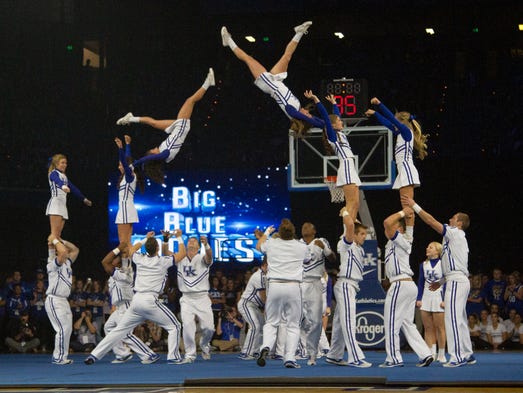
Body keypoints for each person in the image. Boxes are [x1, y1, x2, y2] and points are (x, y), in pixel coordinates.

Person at [84, 230, 186, 365]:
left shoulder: (139, 258)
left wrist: (146, 238)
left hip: (136, 301)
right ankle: (173, 357)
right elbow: (182, 254)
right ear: (157, 248)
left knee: (119, 330)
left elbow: (132, 249)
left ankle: (94, 355)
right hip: (150, 300)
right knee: (175, 326)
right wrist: (179, 237)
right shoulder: (162, 261)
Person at [401, 195, 475, 367]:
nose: (450, 219)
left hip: (457, 281)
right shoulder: (454, 237)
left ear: (459, 223)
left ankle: (457, 357)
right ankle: (468, 353)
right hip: (456, 278)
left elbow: (431, 222)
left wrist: (415, 205)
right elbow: (455, 265)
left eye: (453, 218)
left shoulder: (455, 233)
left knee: (452, 319)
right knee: (461, 318)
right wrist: (441, 282)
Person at [221, 22, 327, 138]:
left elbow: (308, 119)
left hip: (268, 84)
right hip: (276, 81)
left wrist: (309, 119)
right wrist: (328, 125)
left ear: (303, 118)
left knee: (248, 59)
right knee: (287, 56)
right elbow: (320, 122)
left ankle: (228, 41)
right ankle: (299, 32)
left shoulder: (292, 112)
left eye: (307, 115)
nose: (308, 112)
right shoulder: (298, 106)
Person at [115, 68, 215, 184]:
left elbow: (149, 158)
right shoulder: (165, 155)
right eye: (152, 150)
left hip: (174, 130)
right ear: (155, 156)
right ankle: (208, 82)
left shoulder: (162, 151)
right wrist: (137, 163)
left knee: (153, 123)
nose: (153, 148)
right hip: (181, 128)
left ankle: (130, 118)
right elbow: (149, 159)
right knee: (190, 101)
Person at [381, 208, 433, 368]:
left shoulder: (399, 238)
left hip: (400, 284)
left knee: (391, 323)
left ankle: (394, 359)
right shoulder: (404, 238)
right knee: (407, 323)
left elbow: (387, 222)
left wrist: (403, 212)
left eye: (396, 226)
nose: (388, 229)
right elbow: (408, 224)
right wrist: (410, 212)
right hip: (408, 285)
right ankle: (425, 354)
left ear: (399, 229)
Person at [255, 219, 311, 369]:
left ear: (279, 232)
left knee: (271, 322)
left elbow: (259, 246)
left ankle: (266, 346)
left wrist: (267, 232)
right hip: (293, 287)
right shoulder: (301, 246)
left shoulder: (272, 244)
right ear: (293, 232)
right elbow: (308, 260)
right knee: (293, 325)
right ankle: (290, 358)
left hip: (275, 286)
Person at [365, 98, 428, 227]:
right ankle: (408, 234)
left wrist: (379, 105)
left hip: (406, 170)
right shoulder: (400, 133)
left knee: (408, 204)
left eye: (396, 121)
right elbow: (388, 123)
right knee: (406, 205)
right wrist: (375, 114)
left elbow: (391, 120)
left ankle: (409, 236)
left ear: (401, 122)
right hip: (403, 170)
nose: (393, 124)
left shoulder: (406, 132)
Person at [325, 207, 372, 368]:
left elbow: (353, 225)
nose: (365, 237)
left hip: (350, 286)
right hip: (345, 284)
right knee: (349, 321)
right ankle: (355, 358)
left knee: (339, 322)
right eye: (362, 234)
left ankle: (334, 355)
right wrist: (345, 211)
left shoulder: (357, 247)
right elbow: (350, 227)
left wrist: (353, 214)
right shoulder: (347, 244)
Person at [304, 90, 361, 220]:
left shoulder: (339, 133)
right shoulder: (333, 135)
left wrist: (335, 104)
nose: (341, 122)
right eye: (339, 121)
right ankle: (348, 231)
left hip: (350, 166)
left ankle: (352, 228)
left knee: (356, 203)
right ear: (333, 125)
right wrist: (316, 99)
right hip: (346, 166)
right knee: (351, 203)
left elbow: (336, 115)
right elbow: (326, 117)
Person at [100, 242, 159, 364]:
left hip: (127, 305)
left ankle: (149, 354)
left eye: (117, 259)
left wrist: (120, 249)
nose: (114, 260)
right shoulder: (115, 273)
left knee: (125, 333)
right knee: (109, 327)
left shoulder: (126, 271)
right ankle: (122, 354)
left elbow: (105, 261)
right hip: (119, 307)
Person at [165, 233, 215, 363]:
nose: (192, 242)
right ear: (186, 245)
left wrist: (207, 245)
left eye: (194, 241)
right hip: (186, 298)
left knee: (209, 328)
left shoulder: (202, 258)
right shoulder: (181, 258)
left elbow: (210, 257)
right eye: (190, 241)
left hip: (202, 297)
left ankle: (204, 344)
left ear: (198, 247)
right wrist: (166, 240)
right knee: (187, 327)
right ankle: (190, 355)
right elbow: (166, 253)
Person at [299, 221, 336, 366]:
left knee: (315, 321)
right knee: (298, 319)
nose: (304, 228)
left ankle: (312, 354)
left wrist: (326, 250)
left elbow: (333, 259)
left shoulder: (321, 241)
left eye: (308, 226)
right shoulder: (298, 244)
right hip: (300, 283)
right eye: (303, 226)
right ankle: (299, 350)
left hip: (315, 283)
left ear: (314, 231)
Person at [45, 235, 80, 365]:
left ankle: (62, 356)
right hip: (54, 300)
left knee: (67, 328)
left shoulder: (67, 263)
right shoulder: (53, 263)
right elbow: (63, 252)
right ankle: (58, 357)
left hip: (64, 300)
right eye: (61, 247)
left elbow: (75, 250)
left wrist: (61, 240)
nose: (64, 248)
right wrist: (54, 239)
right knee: (62, 328)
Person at [46, 154, 92, 240]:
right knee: (54, 235)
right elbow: (57, 180)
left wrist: (84, 199)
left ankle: (57, 253)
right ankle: (51, 253)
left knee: (58, 235)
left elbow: (73, 188)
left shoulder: (64, 176)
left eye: (66, 163)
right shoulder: (53, 173)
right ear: (56, 164)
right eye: (62, 163)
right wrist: (63, 187)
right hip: (56, 204)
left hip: (63, 205)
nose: (65, 165)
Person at [416, 241, 447, 363]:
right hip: (426, 297)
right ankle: (430, 353)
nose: (427, 248)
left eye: (430, 247)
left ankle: (441, 353)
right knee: (428, 327)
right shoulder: (423, 264)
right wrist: (419, 298)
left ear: (437, 251)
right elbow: (420, 282)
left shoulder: (443, 264)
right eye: (427, 246)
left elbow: (447, 279)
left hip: (439, 296)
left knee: (440, 327)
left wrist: (444, 299)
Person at [114, 135, 144, 244]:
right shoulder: (128, 175)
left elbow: (125, 160)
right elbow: (127, 158)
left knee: (123, 244)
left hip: (125, 210)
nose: (119, 167)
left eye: (120, 165)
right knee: (126, 243)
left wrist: (120, 148)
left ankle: (126, 261)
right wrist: (127, 145)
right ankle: (127, 261)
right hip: (126, 209)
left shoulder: (129, 176)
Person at [237, 257, 267, 360]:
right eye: (269, 266)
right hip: (246, 303)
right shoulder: (258, 276)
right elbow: (263, 297)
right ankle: (246, 352)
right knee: (254, 326)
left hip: (254, 305)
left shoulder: (265, 276)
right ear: (263, 265)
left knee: (262, 326)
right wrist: (269, 310)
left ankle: (255, 351)